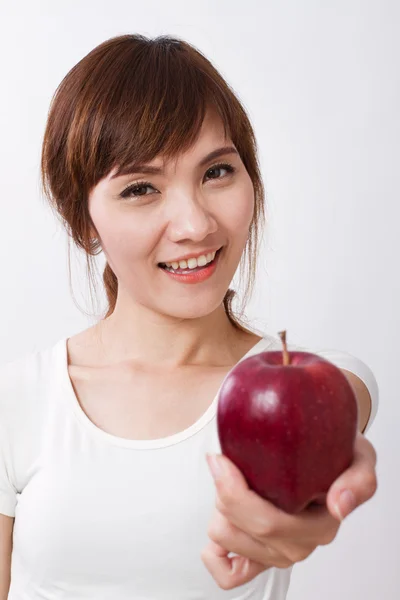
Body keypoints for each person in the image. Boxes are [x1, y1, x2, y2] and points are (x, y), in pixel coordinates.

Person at [0, 34, 378, 599]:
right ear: (84, 223)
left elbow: (341, 424)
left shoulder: (311, 383)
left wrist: (314, 509)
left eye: (217, 173)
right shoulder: (18, 396)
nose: (195, 225)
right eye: (141, 188)